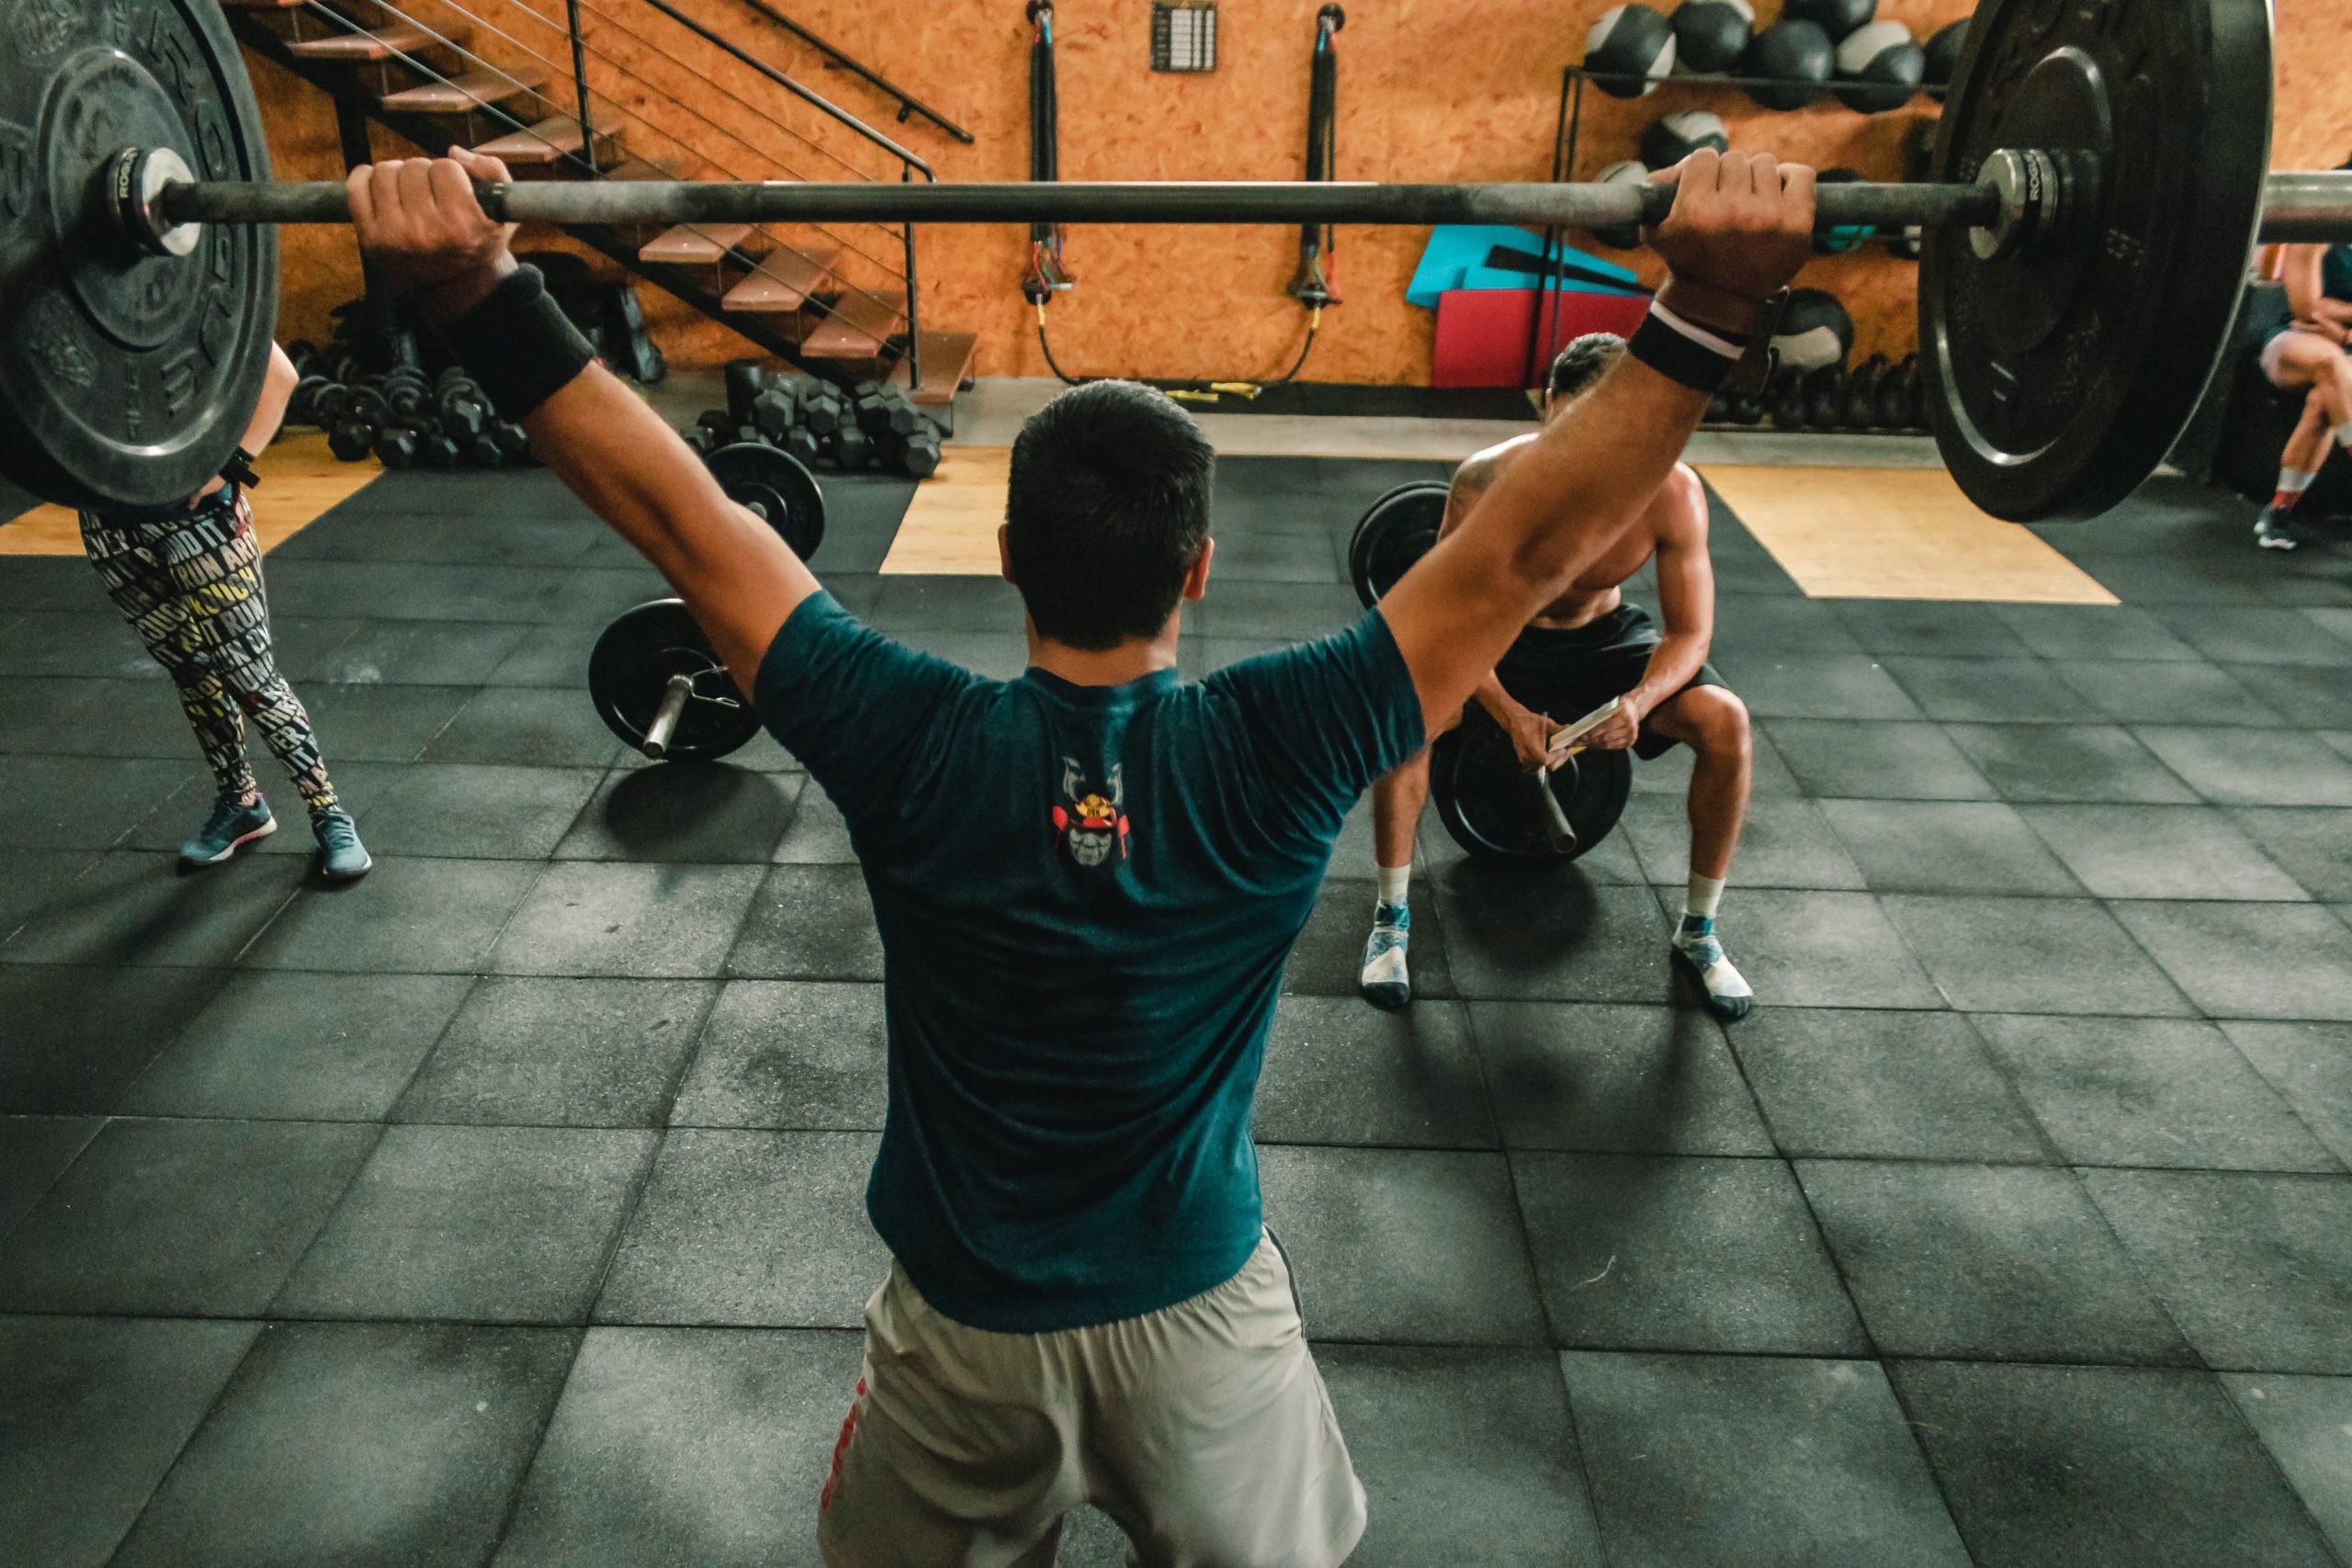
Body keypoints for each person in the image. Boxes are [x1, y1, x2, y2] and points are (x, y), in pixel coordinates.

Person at [347, 143, 1814, 1567]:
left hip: (965, 1337)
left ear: (1005, 555)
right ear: (1199, 567)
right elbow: (1518, 556)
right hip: (1202, 1327)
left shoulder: (903, 735)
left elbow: (687, 517)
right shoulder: (1284, 740)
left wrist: (479, 291)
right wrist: (1706, 312)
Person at [1359, 333, 1755, 1021]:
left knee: (1726, 722)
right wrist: (1507, 710)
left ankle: (1700, 929)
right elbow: (1443, 614)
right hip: (1496, 633)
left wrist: (1639, 701)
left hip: (1604, 641)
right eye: (1572, 424)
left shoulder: (1671, 490)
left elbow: (1690, 632)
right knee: (1408, 713)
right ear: (1549, 405)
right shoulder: (1485, 478)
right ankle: (1390, 919)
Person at [77, 344, 371, 878]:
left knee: (251, 678)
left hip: (202, 523)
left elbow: (279, 375)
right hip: (110, 525)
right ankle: (241, 803)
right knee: (190, 671)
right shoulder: (59, 303)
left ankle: (329, 813)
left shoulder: (185, 284)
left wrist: (230, 466)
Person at [2252, 166, 2352, 550]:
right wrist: (2333, 326)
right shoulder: (2322, 217)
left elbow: (2323, 310)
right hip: (2298, 342)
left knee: (2322, 403)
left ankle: (2278, 512)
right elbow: (2306, 307)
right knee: (2330, 363)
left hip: (2340, 341)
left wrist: (2339, 324)